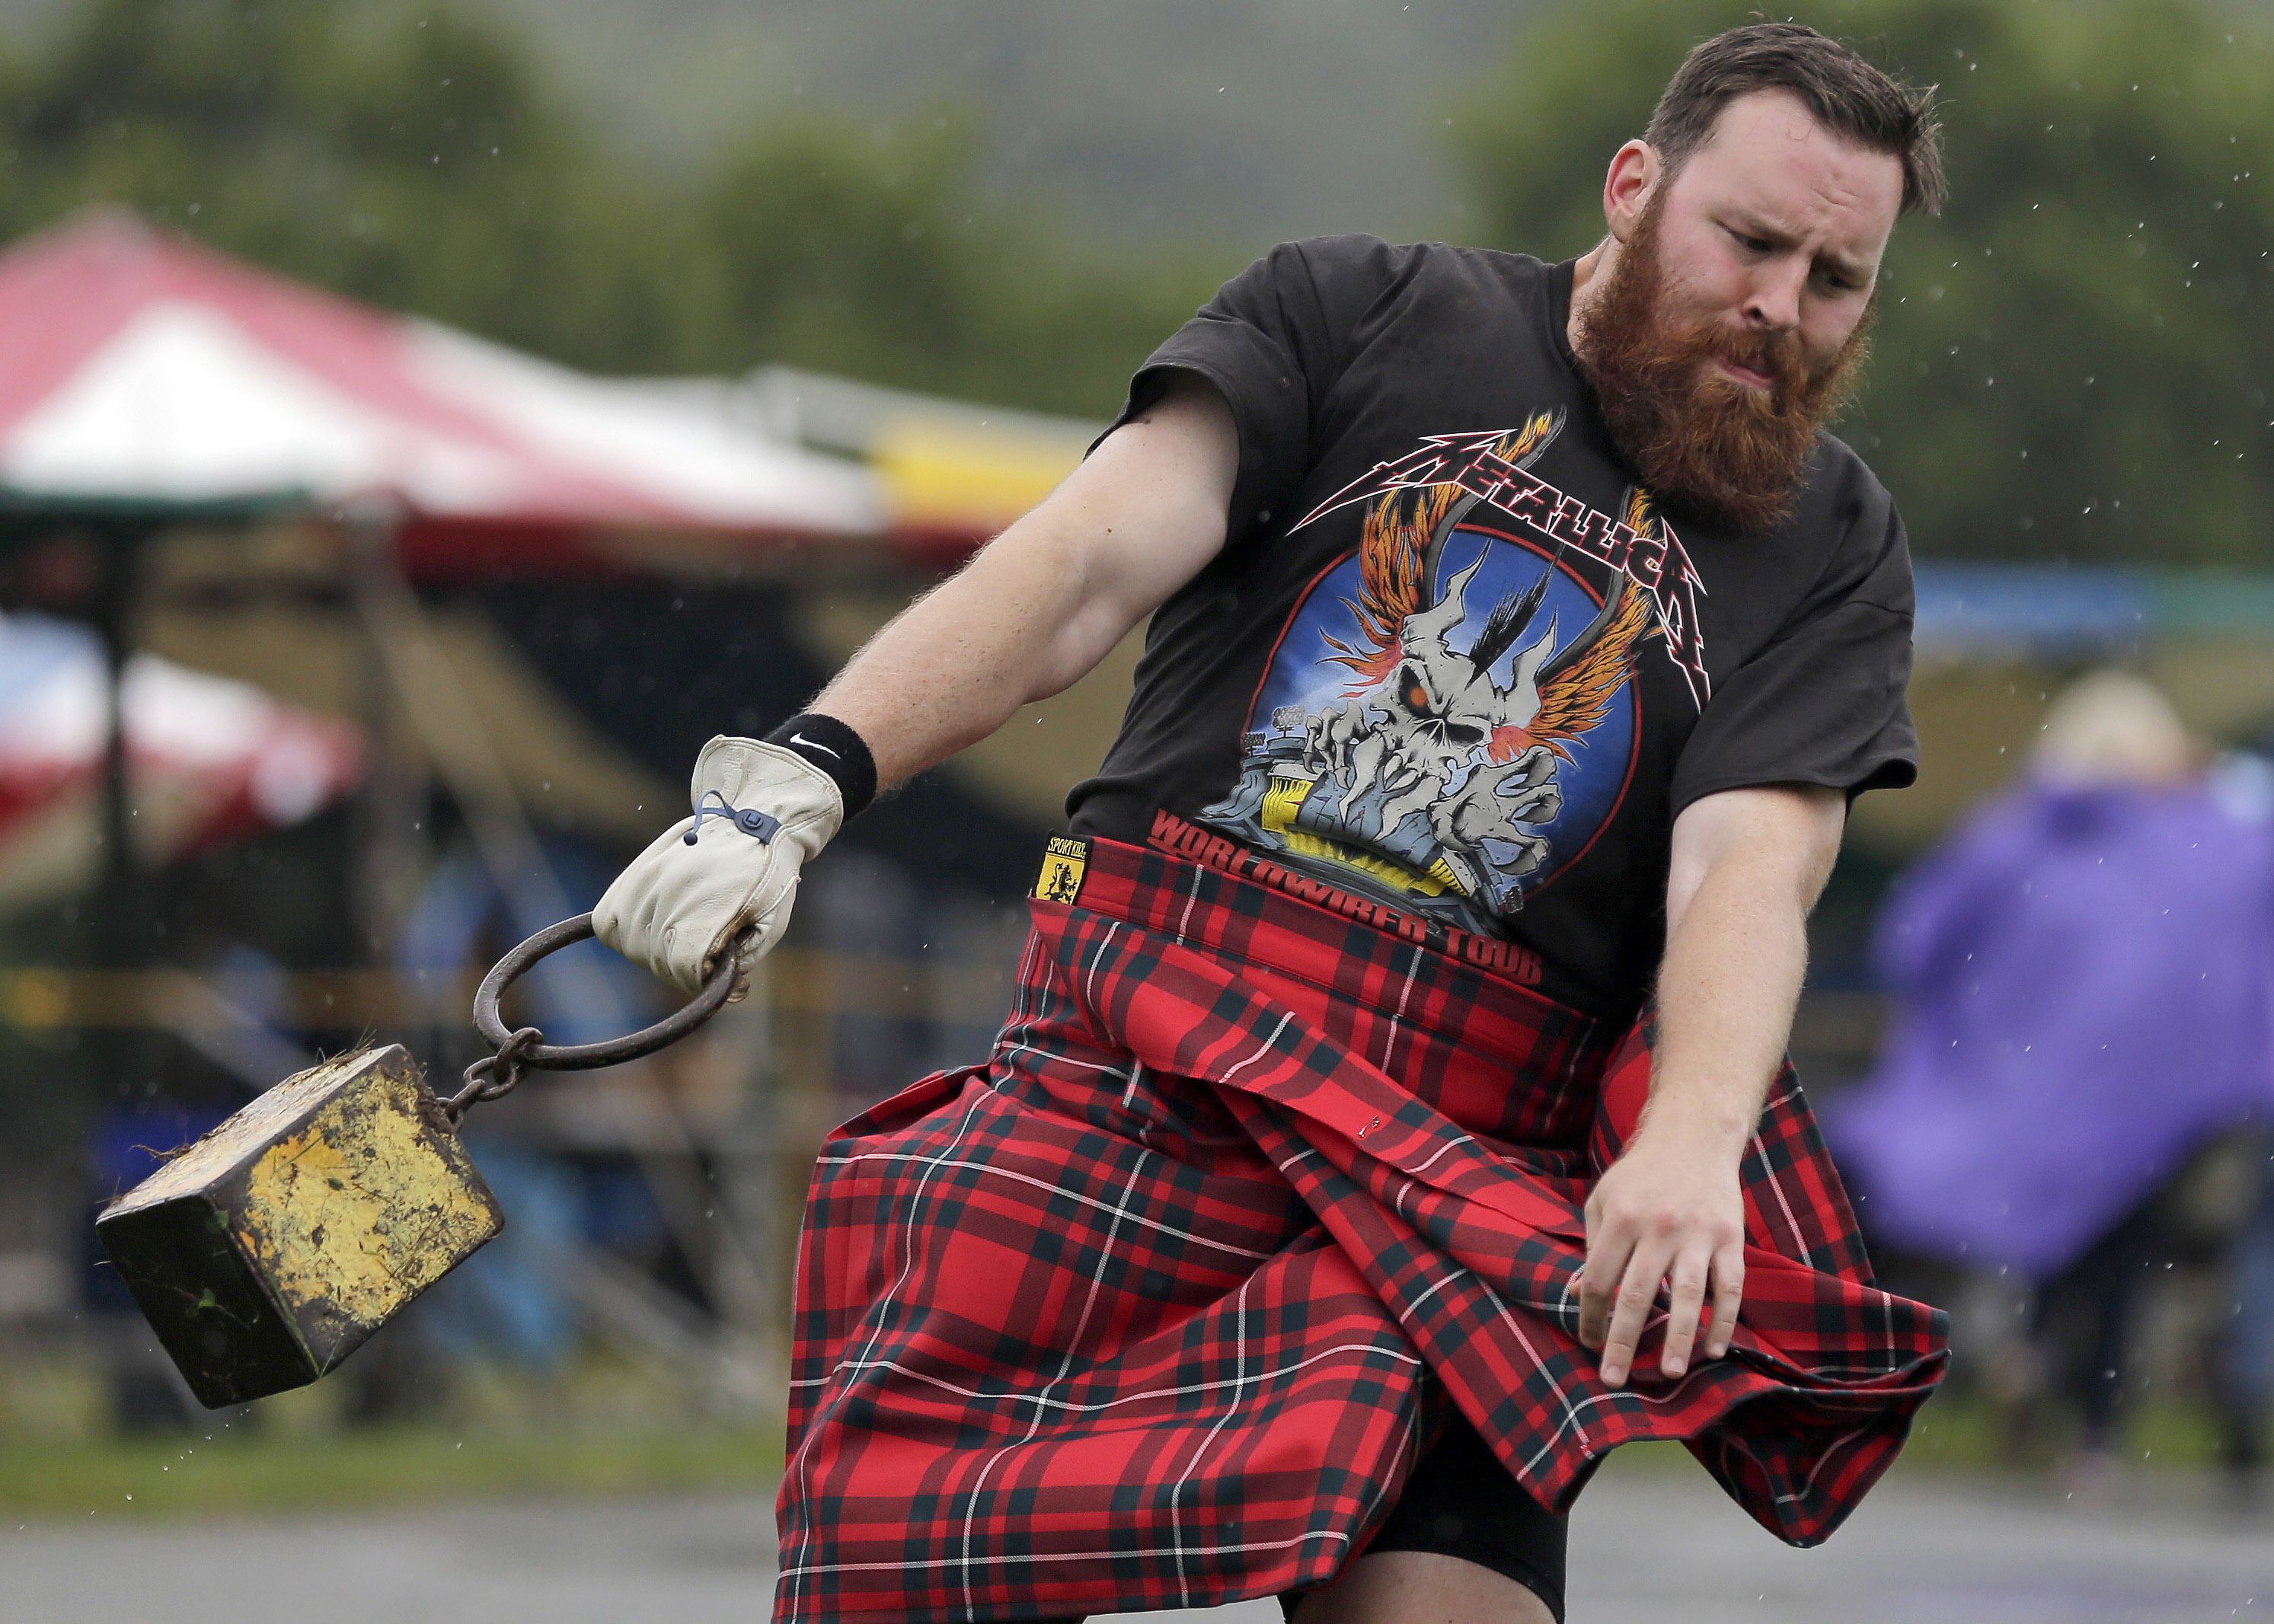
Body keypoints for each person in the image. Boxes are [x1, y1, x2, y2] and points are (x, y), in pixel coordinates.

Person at [596, 23, 1950, 1622]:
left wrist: (1691, 1136)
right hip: (1138, 1071)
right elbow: (1088, 557)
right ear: (1634, 185)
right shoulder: (1360, 309)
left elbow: (1749, 861)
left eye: (1834, 279)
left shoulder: (1833, 541)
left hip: (1454, 1163)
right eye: (1750, 242)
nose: (1778, 311)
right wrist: (810, 772)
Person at [1831, 672, 2274, 1495]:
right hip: (2147, 1119)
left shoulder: (2015, 834)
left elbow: (1915, 936)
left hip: (2015, 1102)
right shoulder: (2212, 844)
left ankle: (2011, 1368)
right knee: (2113, 1267)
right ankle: (2093, 1434)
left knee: (2028, 1236)